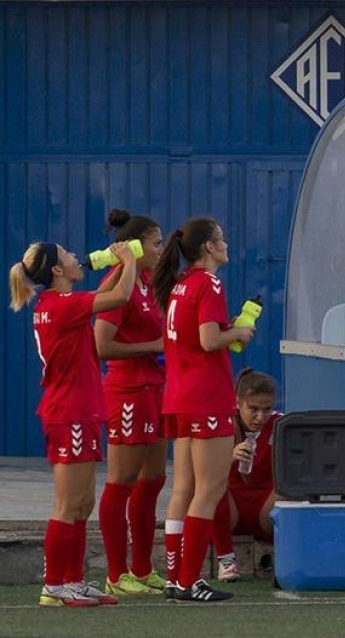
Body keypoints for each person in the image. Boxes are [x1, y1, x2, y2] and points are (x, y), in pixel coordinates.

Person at [10, 239, 137, 607]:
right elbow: (118, 299)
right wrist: (129, 261)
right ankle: (54, 584)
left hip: (77, 411)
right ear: (56, 270)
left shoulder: (60, 304)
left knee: (82, 503)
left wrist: (117, 266)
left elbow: (101, 293)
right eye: (67, 255)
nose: (75, 257)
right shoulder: (60, 305)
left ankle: (74, 580)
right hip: (68, 413)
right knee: (68, 504)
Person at [152, 217, 253, 603]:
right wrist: (238, 333)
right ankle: (188, 579)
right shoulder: (208, 282)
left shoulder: (180, 285)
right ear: (209, 247)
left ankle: (176, 576)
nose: (226, 244)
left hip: (179, 395)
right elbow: (209, 340)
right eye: (221, 239)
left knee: (185, 489)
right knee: (210, 488)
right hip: (206, 395)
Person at [94, 210, 168, 596]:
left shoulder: (147, 281)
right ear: (136, 246)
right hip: (127, 392)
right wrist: (153, 347)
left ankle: (141, 568)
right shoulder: (116, 283)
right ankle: (114, 573)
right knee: (120, 482)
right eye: (156, 242)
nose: (162, 248)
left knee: (154, 479)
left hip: (154, 389)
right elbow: (101, 345)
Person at [209, 369, 283, 578]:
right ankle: (226, 560)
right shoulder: (221, 423)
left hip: (265, 505)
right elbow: (200, 471)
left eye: (267, 409)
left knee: (289, 491)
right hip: (230, 506)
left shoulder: (280, 424)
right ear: (238, 403)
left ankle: (286, 556)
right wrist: (229, 457)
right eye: (253, 409)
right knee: (213, 486)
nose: (261, 416)